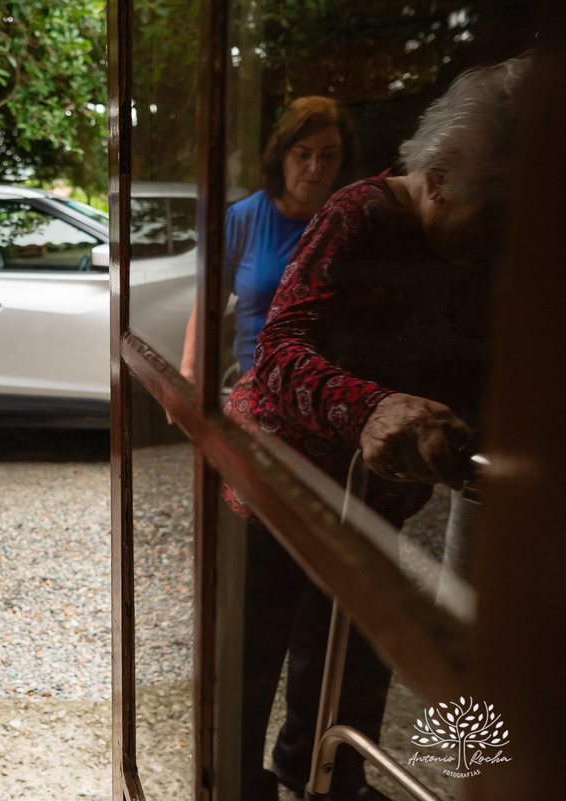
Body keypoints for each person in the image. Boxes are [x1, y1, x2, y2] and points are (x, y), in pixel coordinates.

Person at [223, 56, 529, 801]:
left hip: (375, 500)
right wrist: (373, 406)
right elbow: (278, 356)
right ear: (439, 179)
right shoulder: (358, 215)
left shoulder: (489, 244)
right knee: (248, 672)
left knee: (353, 669)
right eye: (490, 216)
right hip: (282, 488)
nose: (496, 239)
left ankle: (328, 776)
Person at [179, 95, 357, 386]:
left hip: (330, 394)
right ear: (282, 155)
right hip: (256, 390)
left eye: (328, 156)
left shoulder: (348, 220)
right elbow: (209, 300)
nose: (314, 168)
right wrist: (189, 370)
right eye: (303, 154)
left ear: (343, 159)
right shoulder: (245, 217)